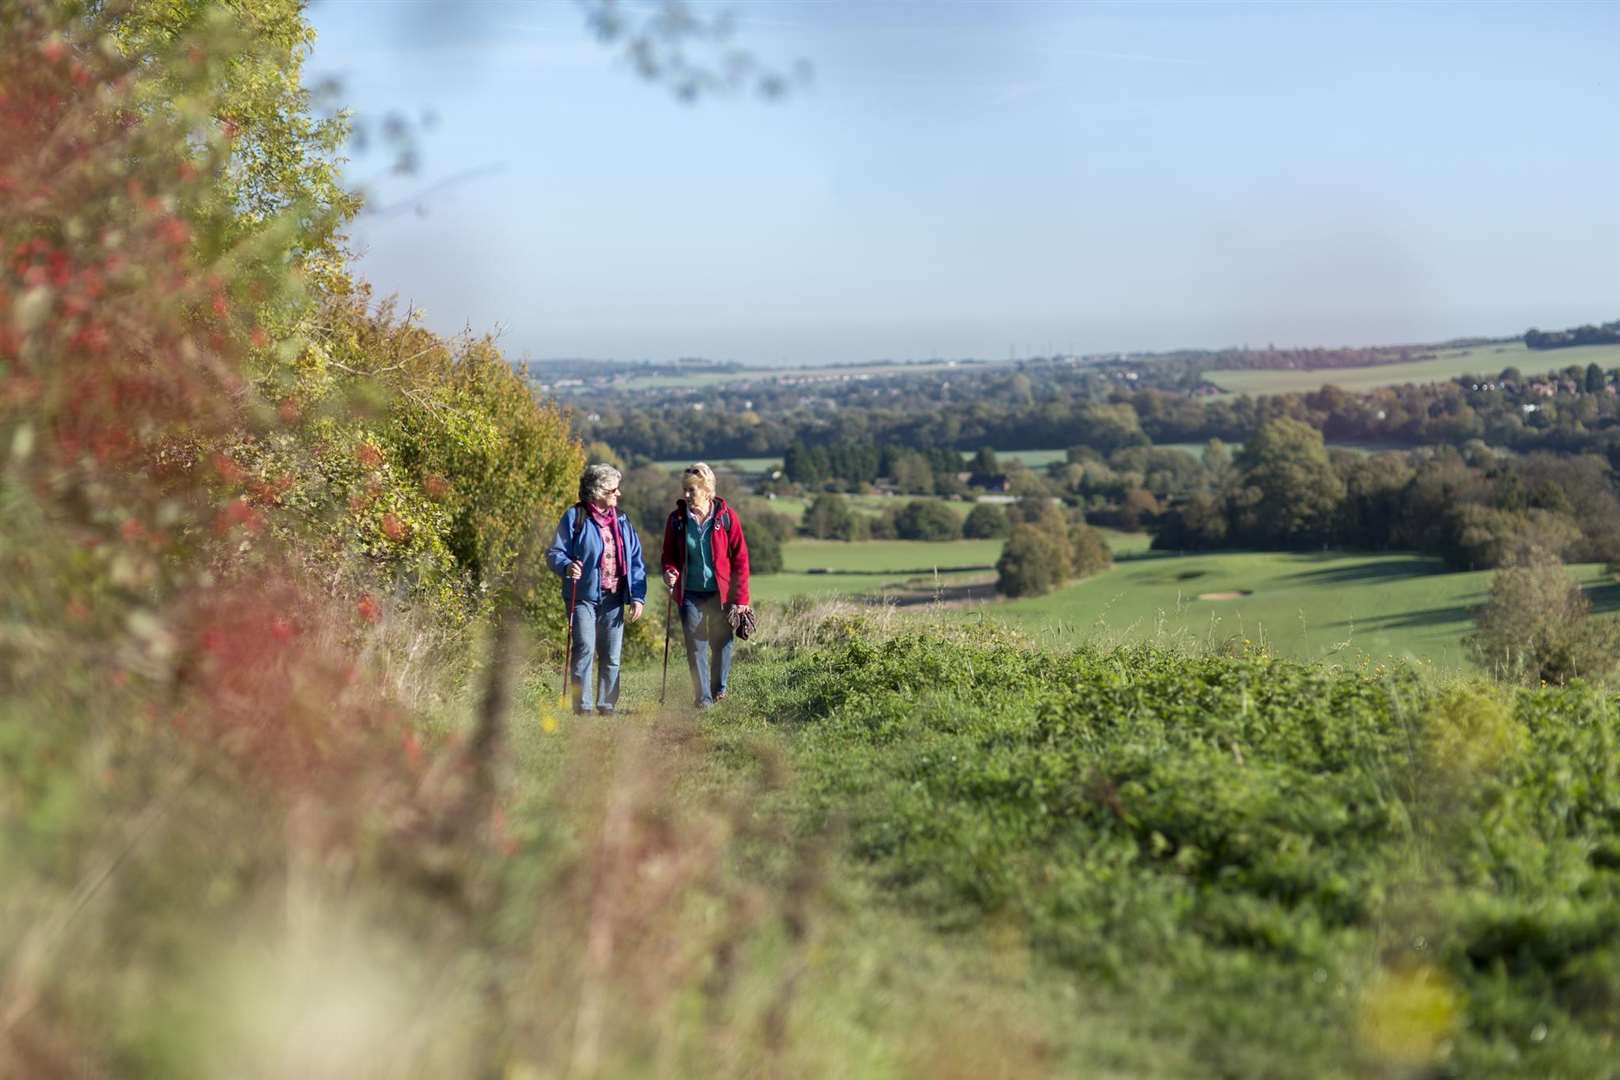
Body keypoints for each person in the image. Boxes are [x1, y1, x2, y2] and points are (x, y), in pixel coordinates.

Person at [546, 463, 646, 715]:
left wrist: (638, 597)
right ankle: (583, 707)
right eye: (614, 490)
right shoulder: (575, 517)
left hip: (613, 597)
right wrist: (567, 566)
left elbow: (635, 560)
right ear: (598, 491)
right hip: (582, 597)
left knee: (611, 655)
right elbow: (555, 552)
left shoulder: (621, 520)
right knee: (585, 649)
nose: (618, 494)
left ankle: (607, 705)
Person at [660, 463, 750, 708]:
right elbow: (668, 555)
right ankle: (703, 698)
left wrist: (741, 599)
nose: (686, 495)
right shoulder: (677, 520)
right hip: (690, 592)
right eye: (685, 490)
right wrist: (670, 571)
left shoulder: (726, 517)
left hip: (721, 593)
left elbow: (741, 558)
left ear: (707, 490)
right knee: (695, 644)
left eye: (692, 490)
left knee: (722, 643)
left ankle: (718, 688)